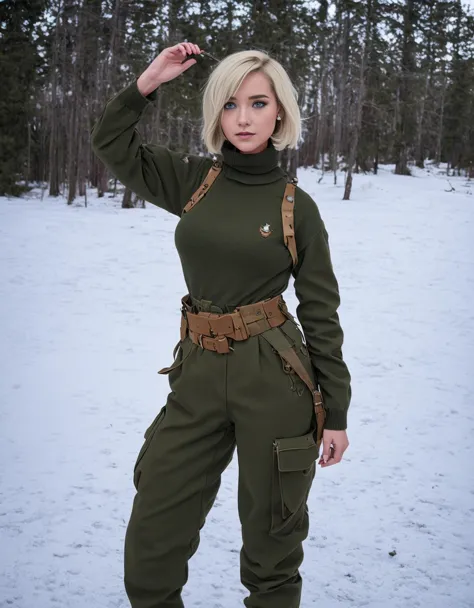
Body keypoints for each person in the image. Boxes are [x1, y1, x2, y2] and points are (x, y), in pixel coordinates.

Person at [91, 41, 352, 608]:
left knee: (271, 554)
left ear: (278, 110)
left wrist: (336, 409)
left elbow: (320, 310)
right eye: (230, 104)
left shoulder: (294, 206)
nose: (243, 117)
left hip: (274, 376)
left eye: (257, 103)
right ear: (216, 114)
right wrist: (149, 81)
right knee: (152, 545)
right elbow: (111, 144)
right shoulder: (194, 183)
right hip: (198, 373)